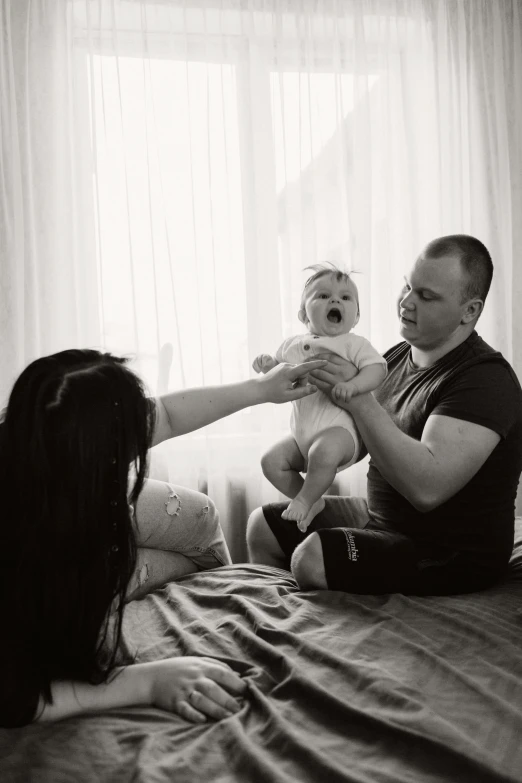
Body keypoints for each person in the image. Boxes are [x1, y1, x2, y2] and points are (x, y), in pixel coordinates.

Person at [0, 348, 326, 728]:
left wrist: (261, 388)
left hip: (69, 515)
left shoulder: (51, 432)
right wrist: (146, 682)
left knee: (200, 517)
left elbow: (167, 416)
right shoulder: (25, 555)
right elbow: (14, 695)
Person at [247, 234, 522, 598]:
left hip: (447, 553)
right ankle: (279, 615)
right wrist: (311, 446)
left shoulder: (485, 380)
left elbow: (428, 487)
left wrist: (357, 398)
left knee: (312, 558)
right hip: (382, 523)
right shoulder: (395, 357)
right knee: (261, 526)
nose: (406, 303)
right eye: (407, 286)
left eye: (426, 296)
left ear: (469, 310)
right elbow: (358, 439)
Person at [252, 265, 387, 531]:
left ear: (356, 316)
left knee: (322, 452)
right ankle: (311, 499)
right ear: (303, 314)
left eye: (346, 298)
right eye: (323, 296)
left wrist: (355, 385)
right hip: (301, 435)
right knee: (271, 461)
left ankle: (305, 499)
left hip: (341, 435)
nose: (335, 300)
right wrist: (269, 366)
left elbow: (378, 369)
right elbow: (280, 375)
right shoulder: (291, 346)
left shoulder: (354, 344)